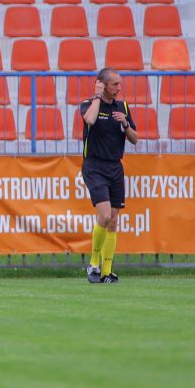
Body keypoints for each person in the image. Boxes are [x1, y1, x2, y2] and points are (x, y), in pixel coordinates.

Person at [80, 68, 138, 284]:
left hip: (115, 167)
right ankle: (93, 264)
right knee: (104, 216)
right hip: (94, 166)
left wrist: (125, 124)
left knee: (113, 220)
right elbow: (90, 120)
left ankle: (107, 271)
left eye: (119, 84)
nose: (119, 88)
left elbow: (135, 138)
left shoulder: (122, 107)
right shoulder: (89, 104)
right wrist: (97, 97)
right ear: (102, 85)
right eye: (114, 84)